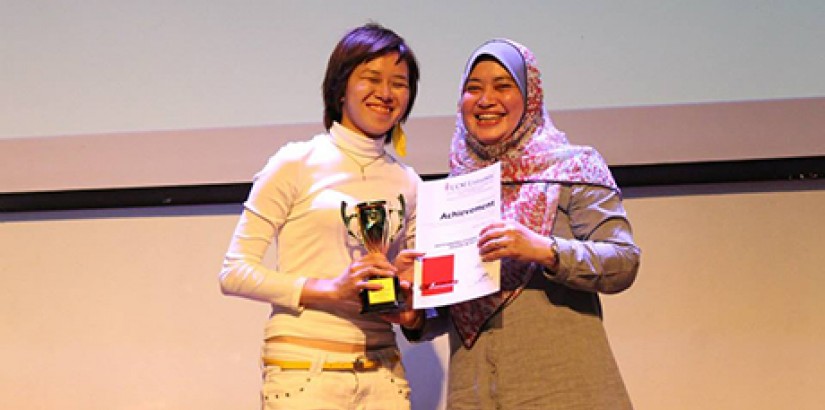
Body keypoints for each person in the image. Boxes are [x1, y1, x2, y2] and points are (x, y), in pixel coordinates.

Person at [403, 39, 640, 409]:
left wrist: (543, 249)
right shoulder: (454, 189)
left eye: (502, 86)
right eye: (473, 88)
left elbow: (623, 261)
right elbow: (454, 304)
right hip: (476, 391)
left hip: (563, 389)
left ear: (530, 97)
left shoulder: (574, 167)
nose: (485, 100)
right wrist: (416, 313)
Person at [219, 23, 423, 410]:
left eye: (399, 82)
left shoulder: (408, 181)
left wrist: (410, 299)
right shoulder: (296, 161)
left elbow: (411, 301)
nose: (385, 93)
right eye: (371, 78)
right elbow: (234, 272)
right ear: (340, 86)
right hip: (304, 373)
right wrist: (333, 289)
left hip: (384, 375)